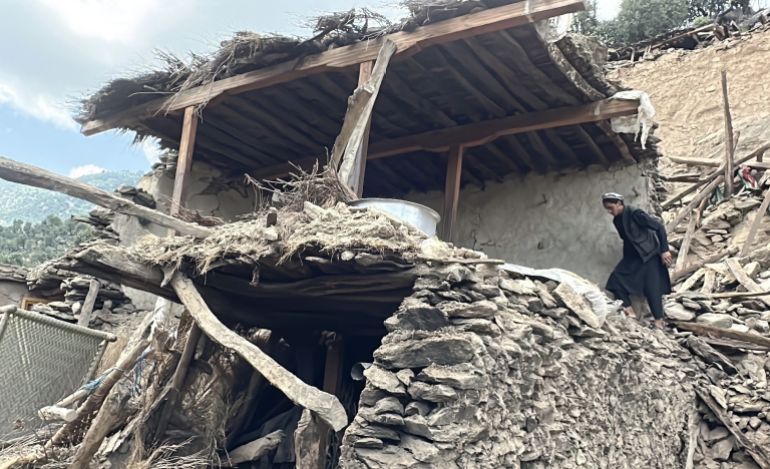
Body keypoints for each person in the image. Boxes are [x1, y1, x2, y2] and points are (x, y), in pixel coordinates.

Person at [602, 192, 672, 329]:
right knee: (615, 280)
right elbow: (627, 240)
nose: (610, 212)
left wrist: (664, 250)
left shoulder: (635, 214)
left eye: (611, 208)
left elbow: (658, 227)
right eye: (607, 209)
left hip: (649, 254)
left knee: (652, 287)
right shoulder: (617, 220)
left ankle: (659, 321)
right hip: (633, 257)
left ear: (619, 204)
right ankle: (630, 311)